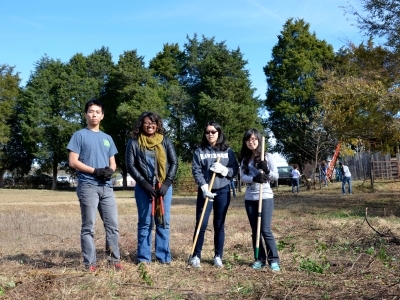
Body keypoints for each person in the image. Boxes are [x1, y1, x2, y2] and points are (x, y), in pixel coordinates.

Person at [67, 99, 123, 272]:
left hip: (106, 187)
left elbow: (112, 163)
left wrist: (109, 171)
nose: (94, 114)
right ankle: (90, 264)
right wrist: (94, 171)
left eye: (97, 112)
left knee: (112, 225)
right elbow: (73, 162)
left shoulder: (107, 138)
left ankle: (115, 261)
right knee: (88, 226)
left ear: (102, 116)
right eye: (91, 111)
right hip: (87, 186)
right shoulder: (79, 135)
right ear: (86, 114)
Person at [126, 112, 178, 264]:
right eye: (147, 122)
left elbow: (174, 162)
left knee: (163, 221)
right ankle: (144, 258)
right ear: (141, 124)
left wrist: (167, 183)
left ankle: (163, 257)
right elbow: (131, 165)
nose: (150, 125)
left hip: (164, 188)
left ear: (158, 124)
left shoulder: (165, 141)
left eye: (153, 122)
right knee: (145, 222)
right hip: (144, 187)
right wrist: (145, 184)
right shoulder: (134, 142)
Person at [190, 121, 239, 268]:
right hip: (206, 191)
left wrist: (224, 170)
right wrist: (204, 186)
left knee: (219, 224)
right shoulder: (200, 150)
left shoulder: (227, 151)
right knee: (201, 223)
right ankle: (196, 256)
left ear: (219, 133)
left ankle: (218, 256)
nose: (210, 134)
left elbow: (234, 169)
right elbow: (196, 169)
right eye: (208, 132)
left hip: (223, 190)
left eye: (213, 131)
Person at [239, 128, 280, 271]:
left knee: (265, 229)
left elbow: (276, 176)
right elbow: (242, 177)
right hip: (250, 198)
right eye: (249, 140)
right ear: (245, 142)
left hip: (266, 197)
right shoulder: (244, 159)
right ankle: (259, 259)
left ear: (258, 140)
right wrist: (254, 178)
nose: (252, 142)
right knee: (255, 231)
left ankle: (273, 260)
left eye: (254, 139)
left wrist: (267, 170)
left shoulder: (267, 156)